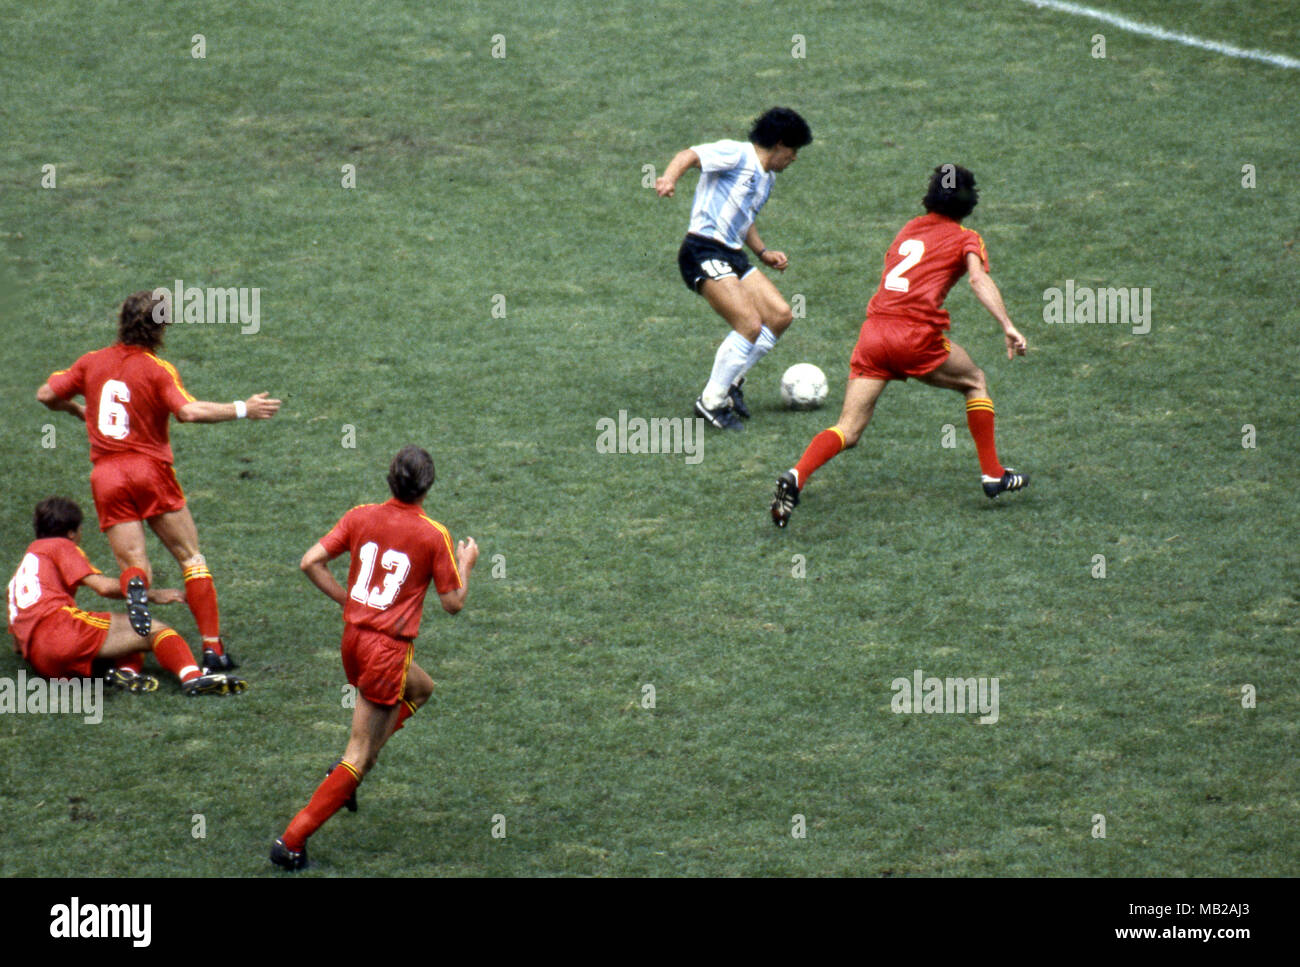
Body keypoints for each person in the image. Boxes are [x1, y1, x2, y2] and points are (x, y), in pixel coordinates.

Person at [771, 165, 1029, 527]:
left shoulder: (909, 228)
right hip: (914, 337)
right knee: (974, 381)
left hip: (874, 335)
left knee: (849, 428)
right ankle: (992, 473)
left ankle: (796, 476)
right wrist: (1007, 325)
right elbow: (978, 280)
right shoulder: (967, 237)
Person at [36, 290, 280, 671]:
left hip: (107, 477)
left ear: (122, 321)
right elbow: (189, 412)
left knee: (136, 565)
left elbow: (46, 394)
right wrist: (242, 408)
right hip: (149, 473)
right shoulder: (156, 369)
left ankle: (134, 617)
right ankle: (213, 650)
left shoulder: (91, 362)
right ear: (160, 328)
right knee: (190, 557)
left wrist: (76, 410)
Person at [271, 446, 477, 871]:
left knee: (422, 689)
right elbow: (453, 603)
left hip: (353, 640)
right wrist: (466, 563)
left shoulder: (360, 515)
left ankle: (344, 773)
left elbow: (310, 562)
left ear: (390, 479)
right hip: (387, 651)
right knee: (360, 754)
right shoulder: (433, 534)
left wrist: (348, 601)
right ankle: (291, 841)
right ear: (428, 487)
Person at [656, 107, 813, 430]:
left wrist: (763, 252)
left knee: (780, 315)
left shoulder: (766, 178)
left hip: (733, 254)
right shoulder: (737, 153)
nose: (794, 158)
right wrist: (669, 178)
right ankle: (711, 402)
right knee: (748, 323)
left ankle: (731, 383)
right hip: (702, 249)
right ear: (779, 144)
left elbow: (744, 218)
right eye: (793, 150)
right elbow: (689, 155)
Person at [7, 497, 246, 695]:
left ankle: (125, 674)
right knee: (152, 630)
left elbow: (17, 646)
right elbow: (102, 587)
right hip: (61, 630)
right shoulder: (61, 546)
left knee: (126, 638)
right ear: (71, 533)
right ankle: (192, 677)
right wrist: (151, 594)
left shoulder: (22, 569)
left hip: (42, 662)